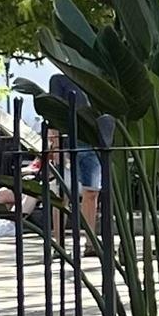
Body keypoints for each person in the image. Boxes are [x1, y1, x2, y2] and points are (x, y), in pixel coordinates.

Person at [44, 73, 101, 235]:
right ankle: (59, 241)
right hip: (68, 143)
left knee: (91, 193)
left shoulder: (95, 76)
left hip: (92, 143)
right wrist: (55, 146)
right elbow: (53, 114)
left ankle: (91, 242)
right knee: (62, 193)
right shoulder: (59, 80)